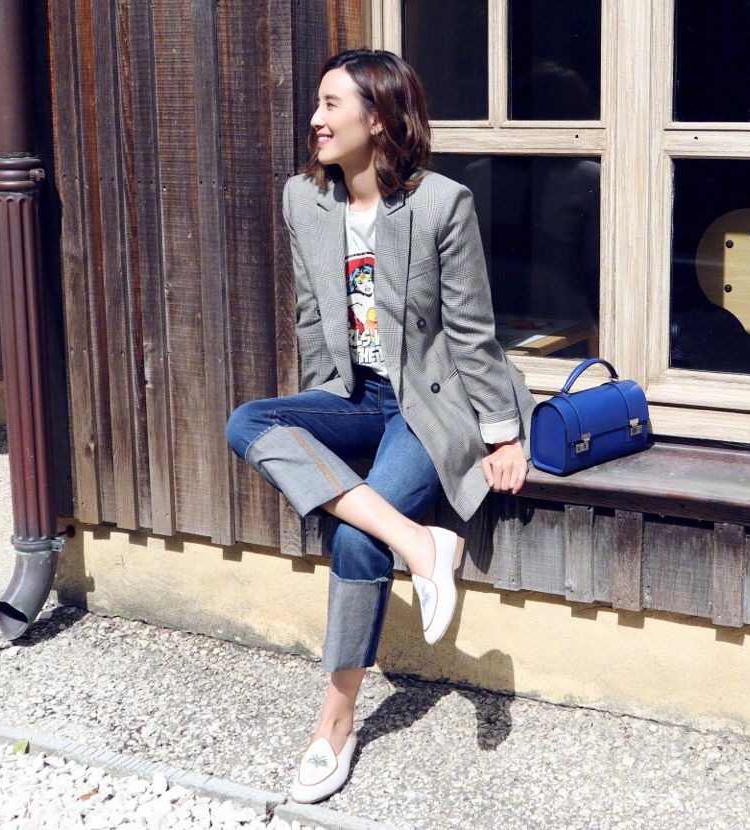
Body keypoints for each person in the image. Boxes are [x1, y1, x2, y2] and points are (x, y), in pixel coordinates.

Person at [224, 48, 536, 804]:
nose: (315, 119)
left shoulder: (441, 204)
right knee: (248, 422)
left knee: (356, 536)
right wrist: (319, 420)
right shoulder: (305, 200)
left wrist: (503, 434)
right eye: (318, 104)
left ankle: (334, 723)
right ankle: (421, 544)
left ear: (379, 118)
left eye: (331, 104)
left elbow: (472, 333)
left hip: (431, 400)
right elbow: (311, 318)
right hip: (352, 395)